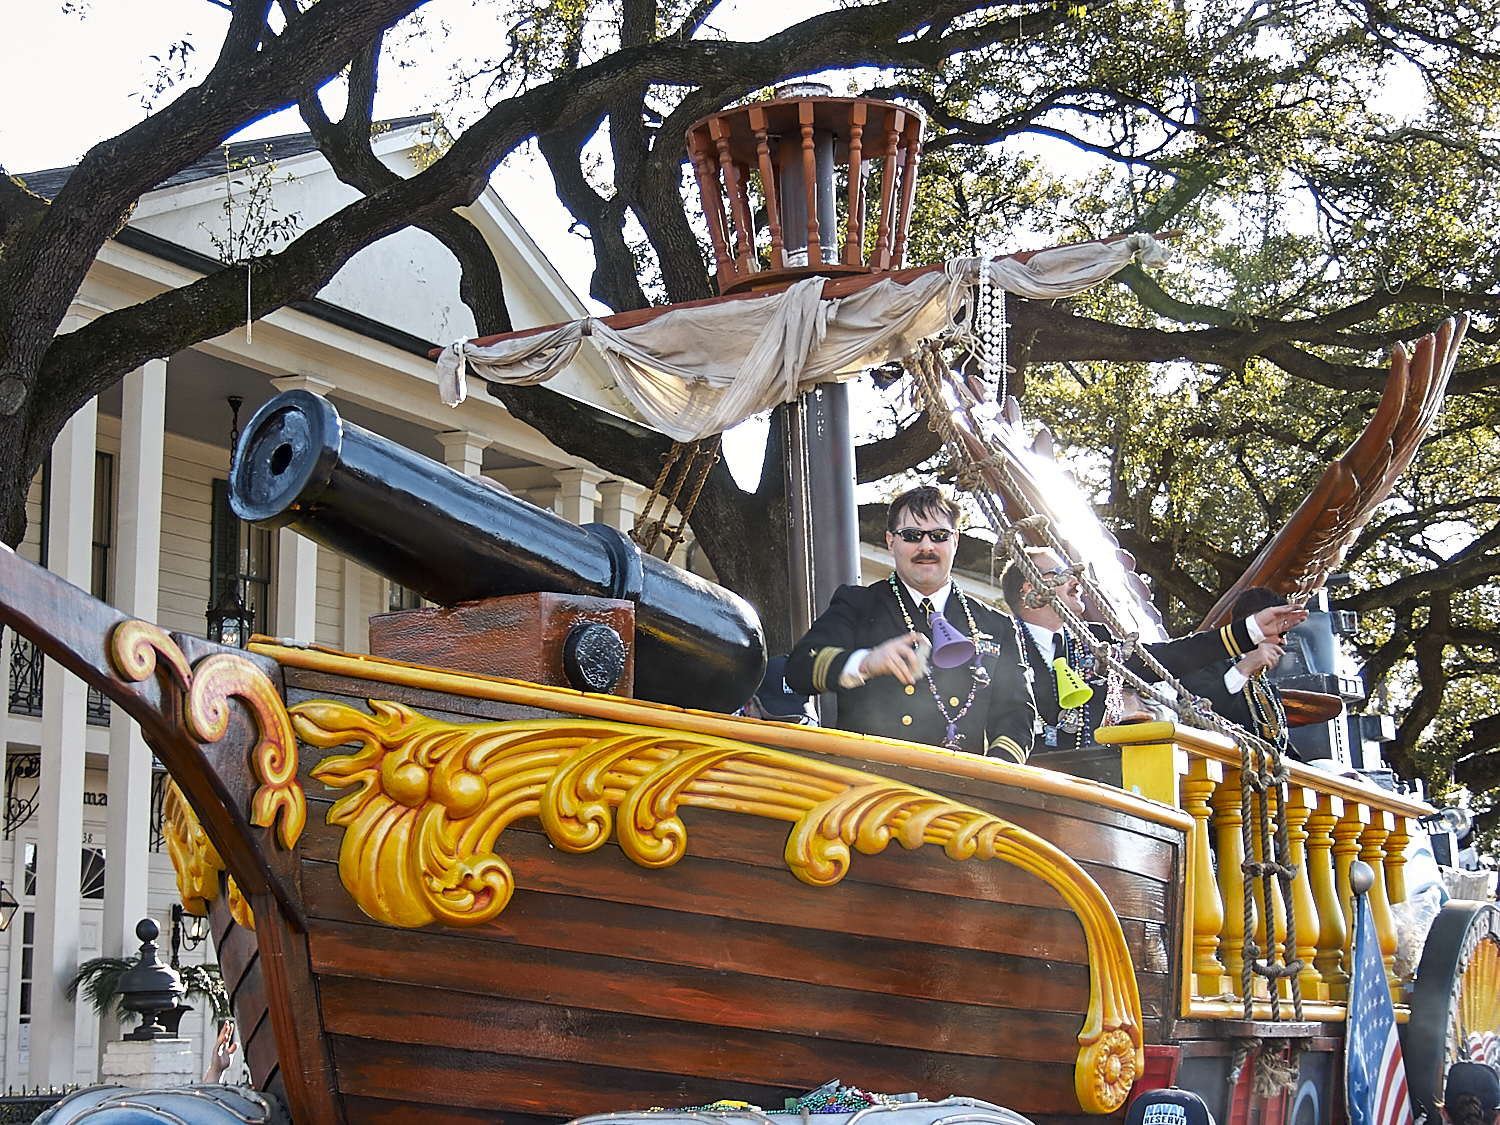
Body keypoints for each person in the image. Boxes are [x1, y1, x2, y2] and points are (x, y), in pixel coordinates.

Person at [784, 486, 1036, 761]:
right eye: (912, 535)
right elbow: (799, 669)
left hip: (960, 781)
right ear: (891, 542)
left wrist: (995, 771)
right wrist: (867, 662)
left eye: (939, 535)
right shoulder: (857, 604)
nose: (926, 546)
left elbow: (1017, 714)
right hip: (873, 778)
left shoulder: (996, 624)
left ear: (955, 541)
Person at [1001, 549, 1308, 757]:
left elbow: (1170, 657)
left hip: (1094, 789)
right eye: (1061, 572)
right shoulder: (1001, 641)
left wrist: (1250, 630)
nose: (1075, 579)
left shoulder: (1096, 643)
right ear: (1030, 588)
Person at [1177, 586, 1300, 756]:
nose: (1284, 642)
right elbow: (1197, 715)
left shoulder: (1269, 691)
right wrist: (1243, 669)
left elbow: (1281, 749)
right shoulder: (1203, 661)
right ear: (1258, 624)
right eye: (1281, 632)